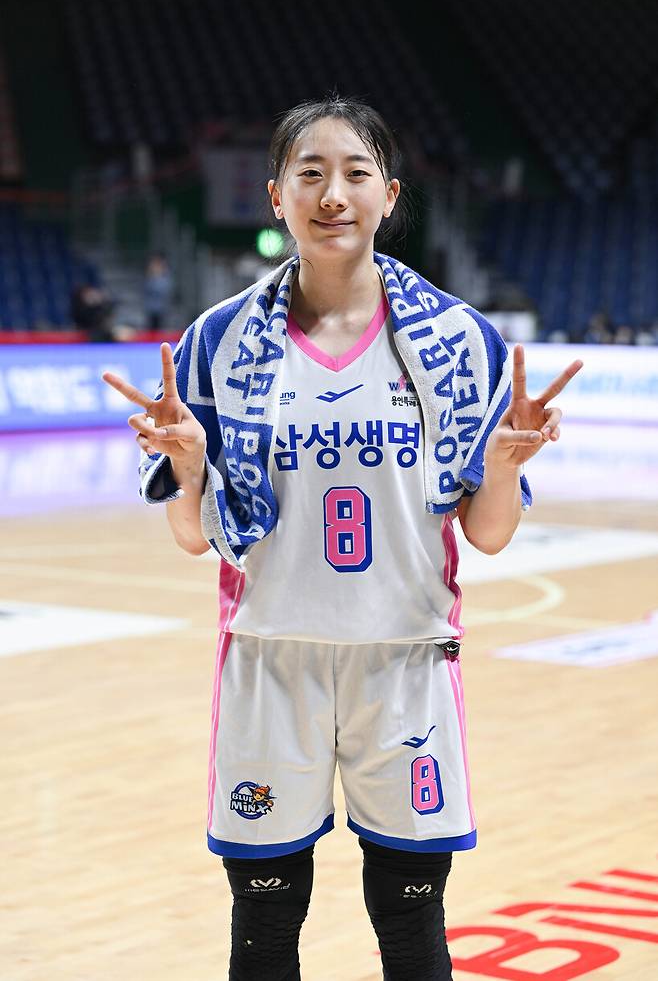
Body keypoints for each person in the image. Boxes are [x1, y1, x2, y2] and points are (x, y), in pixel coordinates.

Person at [102, 95, 582, 981]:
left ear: (389, 194)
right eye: (310, 174)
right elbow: (191, 537)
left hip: (405, 663)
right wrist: (190, 467)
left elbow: (488, 534)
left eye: (356, 173)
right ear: (276, 195)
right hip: (269, 658)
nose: (333, 194)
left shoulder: (458, 340)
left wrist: (502, 466)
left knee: (410, 919)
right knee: (264, 920)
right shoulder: (216, 341)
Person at [143, 252, 174, 329]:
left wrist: (156, 276)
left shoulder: (166, 278)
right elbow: (146, 290)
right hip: (151, 310)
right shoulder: (149, 278)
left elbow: (163, 291)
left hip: (162, 311)